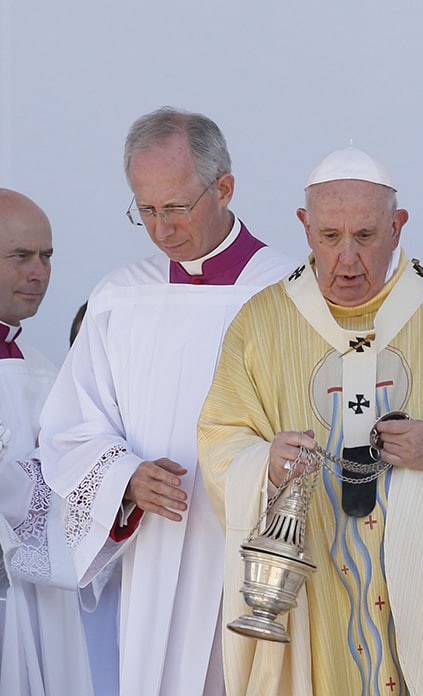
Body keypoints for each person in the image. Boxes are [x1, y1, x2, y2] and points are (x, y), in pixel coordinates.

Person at [197, 145, 423, 695]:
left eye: (366, 237)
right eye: (329, 237)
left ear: (397, 227)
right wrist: (266, 463)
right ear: (305, 227)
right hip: (315, 591)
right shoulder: (260, 326)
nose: (348, 259)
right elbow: (221, 442)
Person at [38, 107, 297, 696]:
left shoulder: (288, 293)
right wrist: (125, 478)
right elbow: (70, 428)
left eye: (176, 207)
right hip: (157, 550)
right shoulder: (120, 298)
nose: (161, 229)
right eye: (146, 210)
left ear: (224, 188)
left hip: (257, 547)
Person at [0, 189, 96, 695]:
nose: (39, 273)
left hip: (47, 603)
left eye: (47, 256)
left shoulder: (46, 370)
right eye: (21, 257)